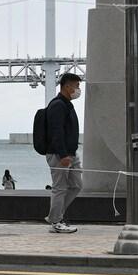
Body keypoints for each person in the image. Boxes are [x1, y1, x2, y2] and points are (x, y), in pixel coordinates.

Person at [45, 72, 83, 234]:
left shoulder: (67, 104)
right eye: (76, 86)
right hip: (60, 155)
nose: (78, 90)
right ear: (67, 86)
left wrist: (71, 154)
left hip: (71, 153)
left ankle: (56, 216)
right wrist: (63, 155)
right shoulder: (57, 105)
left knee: (76, 185)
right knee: (60, 188)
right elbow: (56, 132)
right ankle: (56, 222)